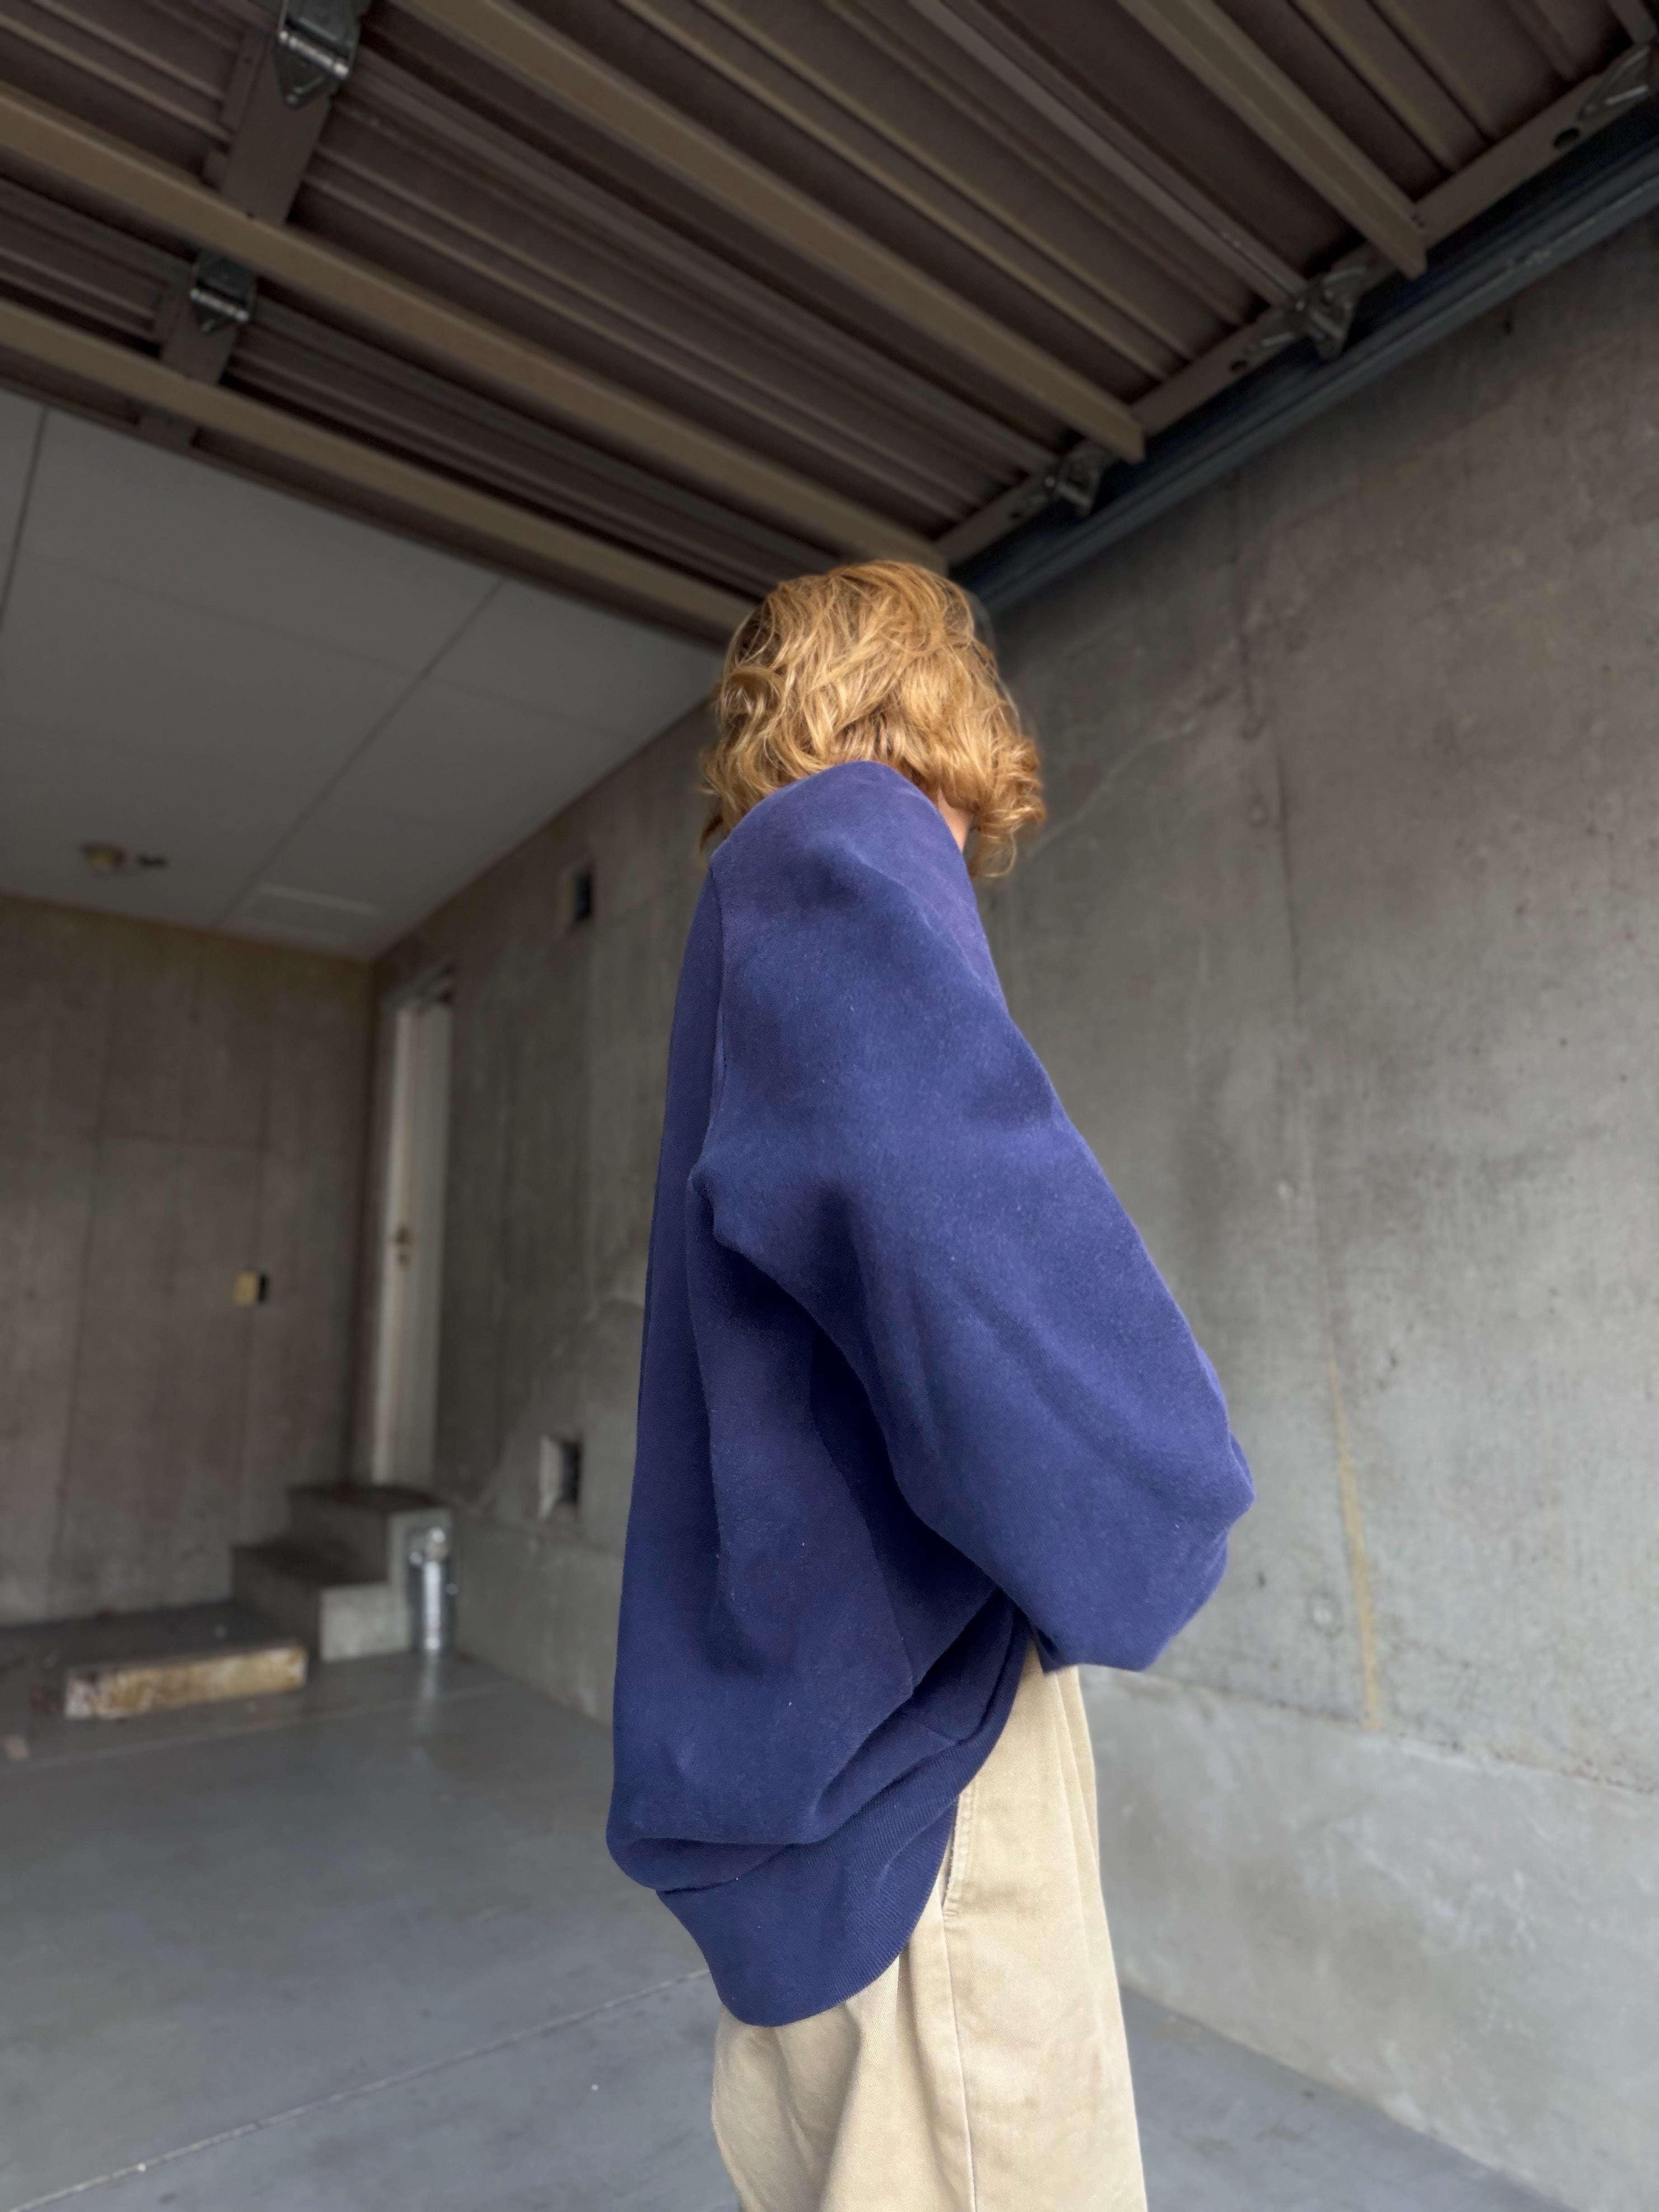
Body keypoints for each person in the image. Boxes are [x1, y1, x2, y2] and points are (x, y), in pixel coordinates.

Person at [607, 561, 1253, 2211]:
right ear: (930, 711)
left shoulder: (748, 914)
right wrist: (1167, 1505)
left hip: (822, 1776)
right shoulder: (844, 844)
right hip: (921, 1786)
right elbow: (944, 1209)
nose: (967, 856)